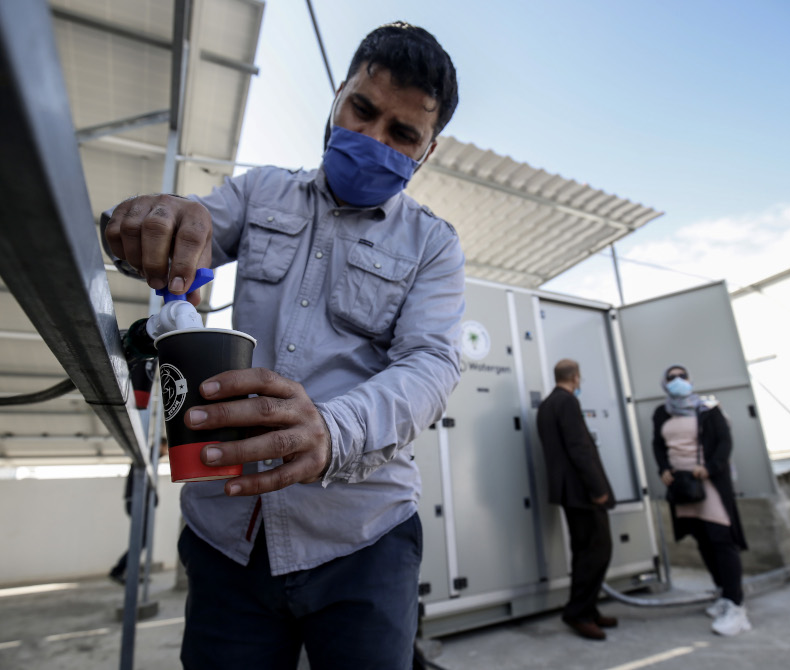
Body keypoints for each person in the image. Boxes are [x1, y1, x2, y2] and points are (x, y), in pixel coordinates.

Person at [101, 22, 462, 669]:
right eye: (363, 110)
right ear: (337, 97)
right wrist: (165, 228)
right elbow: (197, 231)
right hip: (227, 536)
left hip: (363, 535)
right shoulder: (259, 191)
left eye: (402, 134)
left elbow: (432, 362)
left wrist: (331, 430)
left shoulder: (433, 245)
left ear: (427, 151)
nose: (372, 139)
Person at [652, 365, 751, 637]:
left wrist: (711, 467)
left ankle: (736, 605)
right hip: (683, 486)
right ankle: (722, 593)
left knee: (721, 538)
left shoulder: (708, 409)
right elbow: (658, 445)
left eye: (682, 376)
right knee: (702, 538)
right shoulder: (662, 412)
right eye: (671, 377)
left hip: (709, 481)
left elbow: (724, 442)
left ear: (691, 379)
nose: (677, 381)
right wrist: (663, 469)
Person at [535, 359, 617, 641]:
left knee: (585, 552)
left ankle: (588, 609)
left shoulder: (546, 406)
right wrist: (598, 488)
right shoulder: (567, 403)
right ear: (575, 377)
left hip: (569, 492)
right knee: (597, 552)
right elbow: (579, 448)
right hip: (583, 492)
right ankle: (579, 613)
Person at [110, 438, 169, 585]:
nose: (167, 452)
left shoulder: (149, 456)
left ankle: (129, 573)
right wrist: (153, 497)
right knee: (140, 542)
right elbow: (144, 480)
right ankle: (118, 571)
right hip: (138, 502)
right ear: (161, 446)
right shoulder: (147, 456)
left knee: (141, 541)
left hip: (138, 502)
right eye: (167, 448)